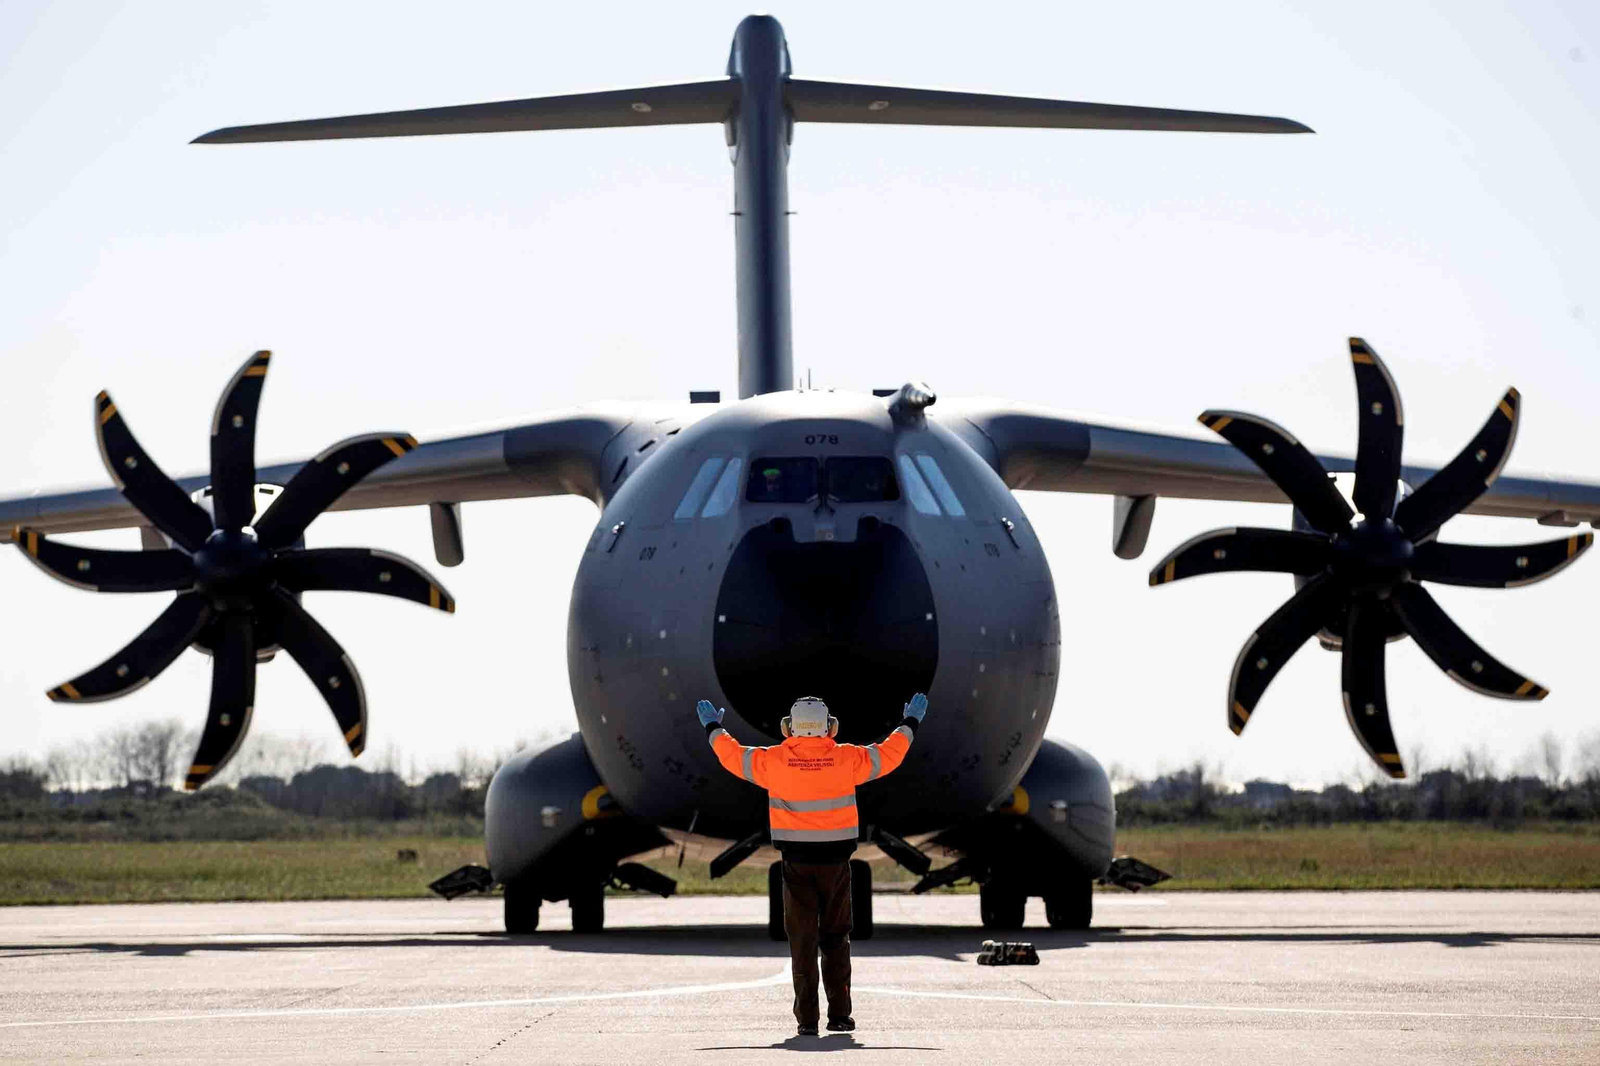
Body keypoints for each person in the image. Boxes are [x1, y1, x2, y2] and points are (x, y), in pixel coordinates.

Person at [695, 692, 929, 1037]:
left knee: (802, 941)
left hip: (796, 865)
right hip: (836, 864)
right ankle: (840, 1016)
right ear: (830, 728)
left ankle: (807, 1021)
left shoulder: (773, 762)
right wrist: (910, 722)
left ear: (789, 729)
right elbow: (889, 755)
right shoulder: (847, 758)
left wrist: (713, 727)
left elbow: (733, 757)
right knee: (836, 939)